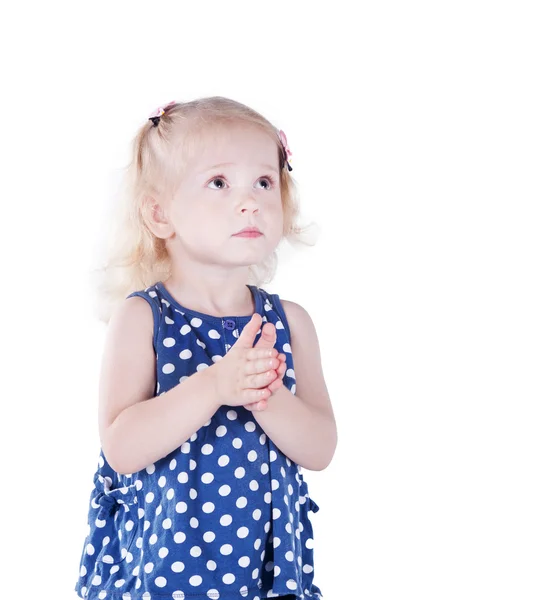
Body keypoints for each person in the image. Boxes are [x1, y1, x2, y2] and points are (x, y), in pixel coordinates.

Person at [74, 96, 337, 600]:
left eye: (264, 182)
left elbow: (320, 448)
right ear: (159, 213)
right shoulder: (144, 318)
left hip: (263, 574)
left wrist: (267, 395)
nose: (250, 201)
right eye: (219, 183)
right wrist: (216, 384)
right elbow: (122, 448)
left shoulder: (291, 323)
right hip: (165, 573)